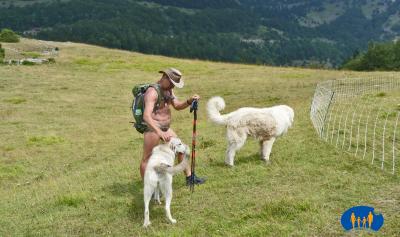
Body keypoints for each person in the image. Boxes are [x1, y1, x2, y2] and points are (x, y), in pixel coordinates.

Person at [140, 68, 205, 185]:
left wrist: (189, 101)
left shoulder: (168, 90)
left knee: (182, 150)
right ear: (164, 77)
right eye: (171, 83)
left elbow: (177, 105)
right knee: (147, 159)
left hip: (166, 129)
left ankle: (190, 179)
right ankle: (147, 188)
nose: (172, 87)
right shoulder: (152, 92)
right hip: (153, 129)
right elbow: (146, 116)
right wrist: (159, 132)